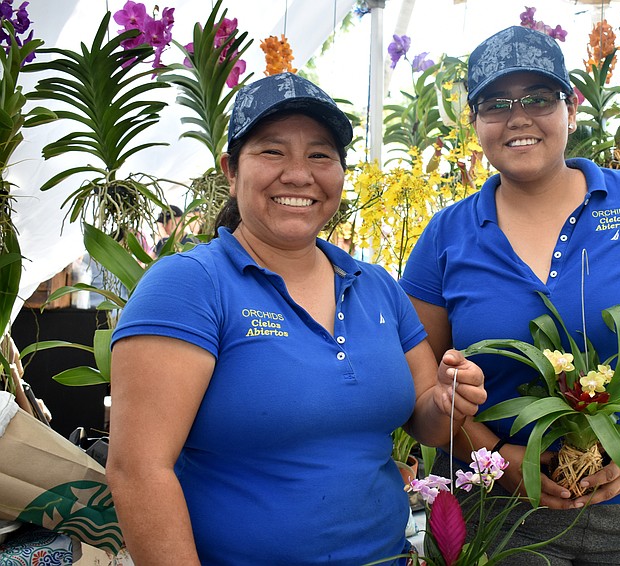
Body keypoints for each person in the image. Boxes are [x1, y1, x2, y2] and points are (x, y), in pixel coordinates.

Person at [106, 72, 487, 565]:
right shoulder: (191, 285)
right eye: (272, 151)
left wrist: (449, 397)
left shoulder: (374, 285)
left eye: (320, 154)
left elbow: (426, 419)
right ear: (230, 169)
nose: (298, 174)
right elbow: (138, 470)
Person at [399, 26, 620, 564]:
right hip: (494, 513)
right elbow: (422, 383)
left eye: (538, 98)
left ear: (570, 109)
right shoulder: (447, 235)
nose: (518, 117)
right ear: (475, 123)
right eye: (496, 103)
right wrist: (500, 460)